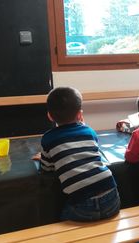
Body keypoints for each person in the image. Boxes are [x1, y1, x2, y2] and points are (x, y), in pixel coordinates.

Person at [33, 87, 120, 222]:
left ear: (49, 115)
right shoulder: (90, 132)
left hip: (83, 204)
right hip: (112, 196)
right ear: (80, 114)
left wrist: (44, 158)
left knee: (60, 220)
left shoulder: (48, 138)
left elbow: (47, 169)